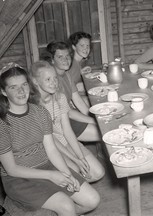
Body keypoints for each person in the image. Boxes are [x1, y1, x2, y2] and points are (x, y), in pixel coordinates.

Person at [0, 63, 100, 215]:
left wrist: (66, 173)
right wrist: (51, 176)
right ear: (4, 91)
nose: (21, 91)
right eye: (13, 87)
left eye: (24, 85)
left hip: (46, 165)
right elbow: (12, 169)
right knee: (66, 205)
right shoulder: (3, 123)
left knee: (92, 200)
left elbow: (52, 149)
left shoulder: (40, 112)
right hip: (20, 178)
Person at [31, 61, 105, 183]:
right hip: (48, 148)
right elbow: (52, 141)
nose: (54, 83)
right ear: (35, 81)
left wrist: (80, 156)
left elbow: (67, 130)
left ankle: (73, 184)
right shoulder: (34, 106)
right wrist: (75, 160)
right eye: (48, 79)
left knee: (97, 172)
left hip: (65, 142)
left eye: (55, 78)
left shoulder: (60, 97)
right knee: (76, 170)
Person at [43, 41, 101, 142]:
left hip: (70, 115)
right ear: (52, 60)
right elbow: (68, 113)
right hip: (60, 122)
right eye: (60, 57)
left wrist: (93, 117)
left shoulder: (66, 74)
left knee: (102, 126)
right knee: (103, 133)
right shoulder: (53, 80)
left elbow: (77, 100)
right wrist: (93, 121)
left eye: (67, 56)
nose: (66, 60)